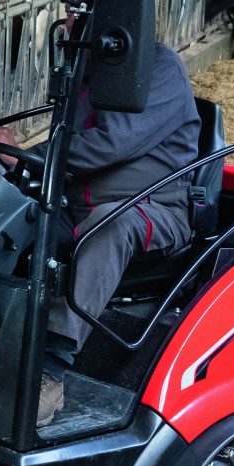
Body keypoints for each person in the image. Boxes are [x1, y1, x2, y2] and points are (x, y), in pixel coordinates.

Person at [36, 41, 199, 423]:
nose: (71, 21)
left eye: (81, 11)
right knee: (17, 216)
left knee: (108, 224)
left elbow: (112, 143)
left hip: (155, 208)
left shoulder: (159, 68)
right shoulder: (90, 71)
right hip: (78, 205)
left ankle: (51, 370)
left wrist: (39, 155)